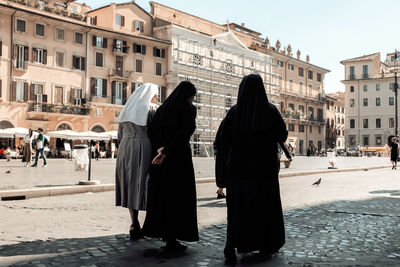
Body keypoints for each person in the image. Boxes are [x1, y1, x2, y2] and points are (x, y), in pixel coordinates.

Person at [215, 74, 287, 261]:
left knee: (238, 210)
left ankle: (231, 245)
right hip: (265, 171)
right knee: (266, 208)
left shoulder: (234, 112)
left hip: (239, 171)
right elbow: (282, 134)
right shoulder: (270, 110)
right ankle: (266, 244)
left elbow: (222, 141)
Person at [143, 81, 199, 252]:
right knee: (178, 198)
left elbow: (151, 131)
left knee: (163, 197)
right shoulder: (189, 109)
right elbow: (184, 133)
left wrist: (160, 149)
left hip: (160, 160)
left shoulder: (163, 109)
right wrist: (167, 151)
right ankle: (174, 238)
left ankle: (165, 235)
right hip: (179, 159)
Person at [115, 83, 159, 240]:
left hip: (126, 148)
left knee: (130, 183)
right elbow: (157, 132)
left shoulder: (126, 110)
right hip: (144, 146)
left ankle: (134, 223)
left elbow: (119, 135)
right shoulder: (151, 108)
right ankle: (151, 225)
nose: (157, 97)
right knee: (146, 183)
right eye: (156, 94)